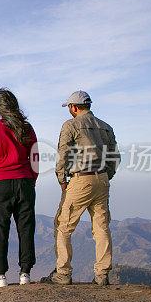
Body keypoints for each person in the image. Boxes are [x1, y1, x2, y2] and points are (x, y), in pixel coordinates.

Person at [42, 91, 120, 286]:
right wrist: (107, 175)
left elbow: (63, 154)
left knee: (63, 226)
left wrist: (62, 179)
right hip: (102, 180)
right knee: (101, 227)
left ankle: (63, 273)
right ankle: (102, 275)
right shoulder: (106, 127)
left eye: (69, 107)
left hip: (80, 179)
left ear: (73, 107)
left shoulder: (71, 125)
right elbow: (115, 156)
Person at [0, 88, 39, 288]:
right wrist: (31, 179)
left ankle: (1, 276)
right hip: (24, 183)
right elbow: (35, 158)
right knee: (26, 228)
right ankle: (25, 273)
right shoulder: (27, 128)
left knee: (0, 231)